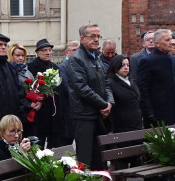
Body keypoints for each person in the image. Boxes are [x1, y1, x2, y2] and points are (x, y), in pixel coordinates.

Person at [65, 23, 113, 172]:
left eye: (98, 36)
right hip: (84, 115)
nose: (96, 39)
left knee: (100, 156)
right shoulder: (77, 59)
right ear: (82, 38)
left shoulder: (96, 58)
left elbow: (106, 83)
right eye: (92, 36)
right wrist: (103, 104)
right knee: (85, 158)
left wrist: (110, 102)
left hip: (99, 114)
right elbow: (82, 88)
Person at [136, 29, 175, 128]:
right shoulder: (147, 61)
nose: (171, 43)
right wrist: (149, 113)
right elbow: (143, 89)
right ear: (157, 43)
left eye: (171, 39)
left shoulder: (173, 60)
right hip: (157, 114)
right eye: (167, 40)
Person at [26, 38, 58, 148]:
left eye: (49, 50)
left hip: (52, 111)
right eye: (44, 50)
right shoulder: (30, 67)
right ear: (37, 53)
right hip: (38, 111)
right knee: (38, 143)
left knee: (53, 144)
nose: (48, 53)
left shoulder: (55, 67)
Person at [50, 40, 78, 147]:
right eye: (74, 50)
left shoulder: (80, 65)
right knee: (65, 144)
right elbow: (67, 86)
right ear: (67, 52)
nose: (77, 52)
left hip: (78, 111)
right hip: (67, 111)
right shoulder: (62, 67)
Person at [106, 54, 142, 133]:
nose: (126, 67)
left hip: (136, 124)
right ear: (116, 66)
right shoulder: (110, 83)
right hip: (121, 126)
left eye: (128, 65)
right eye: (122, 65)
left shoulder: (131, 81)